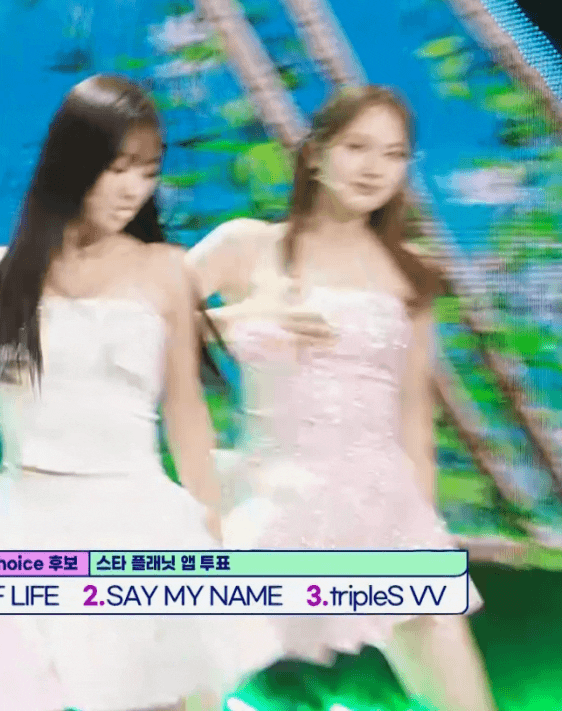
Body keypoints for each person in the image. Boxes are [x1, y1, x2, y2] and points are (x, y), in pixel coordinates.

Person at [188, 85, 500, 711]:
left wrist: (425, 522)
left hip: (389, 514)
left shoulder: (411, 273)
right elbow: (141, 322)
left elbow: (414, 417)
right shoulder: (246, 245)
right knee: (191, 684)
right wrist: (245, 315)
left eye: (393, 154)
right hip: (275, 503)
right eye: (357, 147)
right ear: (315, 153)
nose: (374, 167)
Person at [0, 74, 283, 711]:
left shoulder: (164, 271)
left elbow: (185, 408)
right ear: (71, 162)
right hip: (26, 519)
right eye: (118, 168)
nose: (133, 189)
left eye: (148, 172)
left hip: (134, 516)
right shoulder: (7, 273)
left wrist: (209, 525)